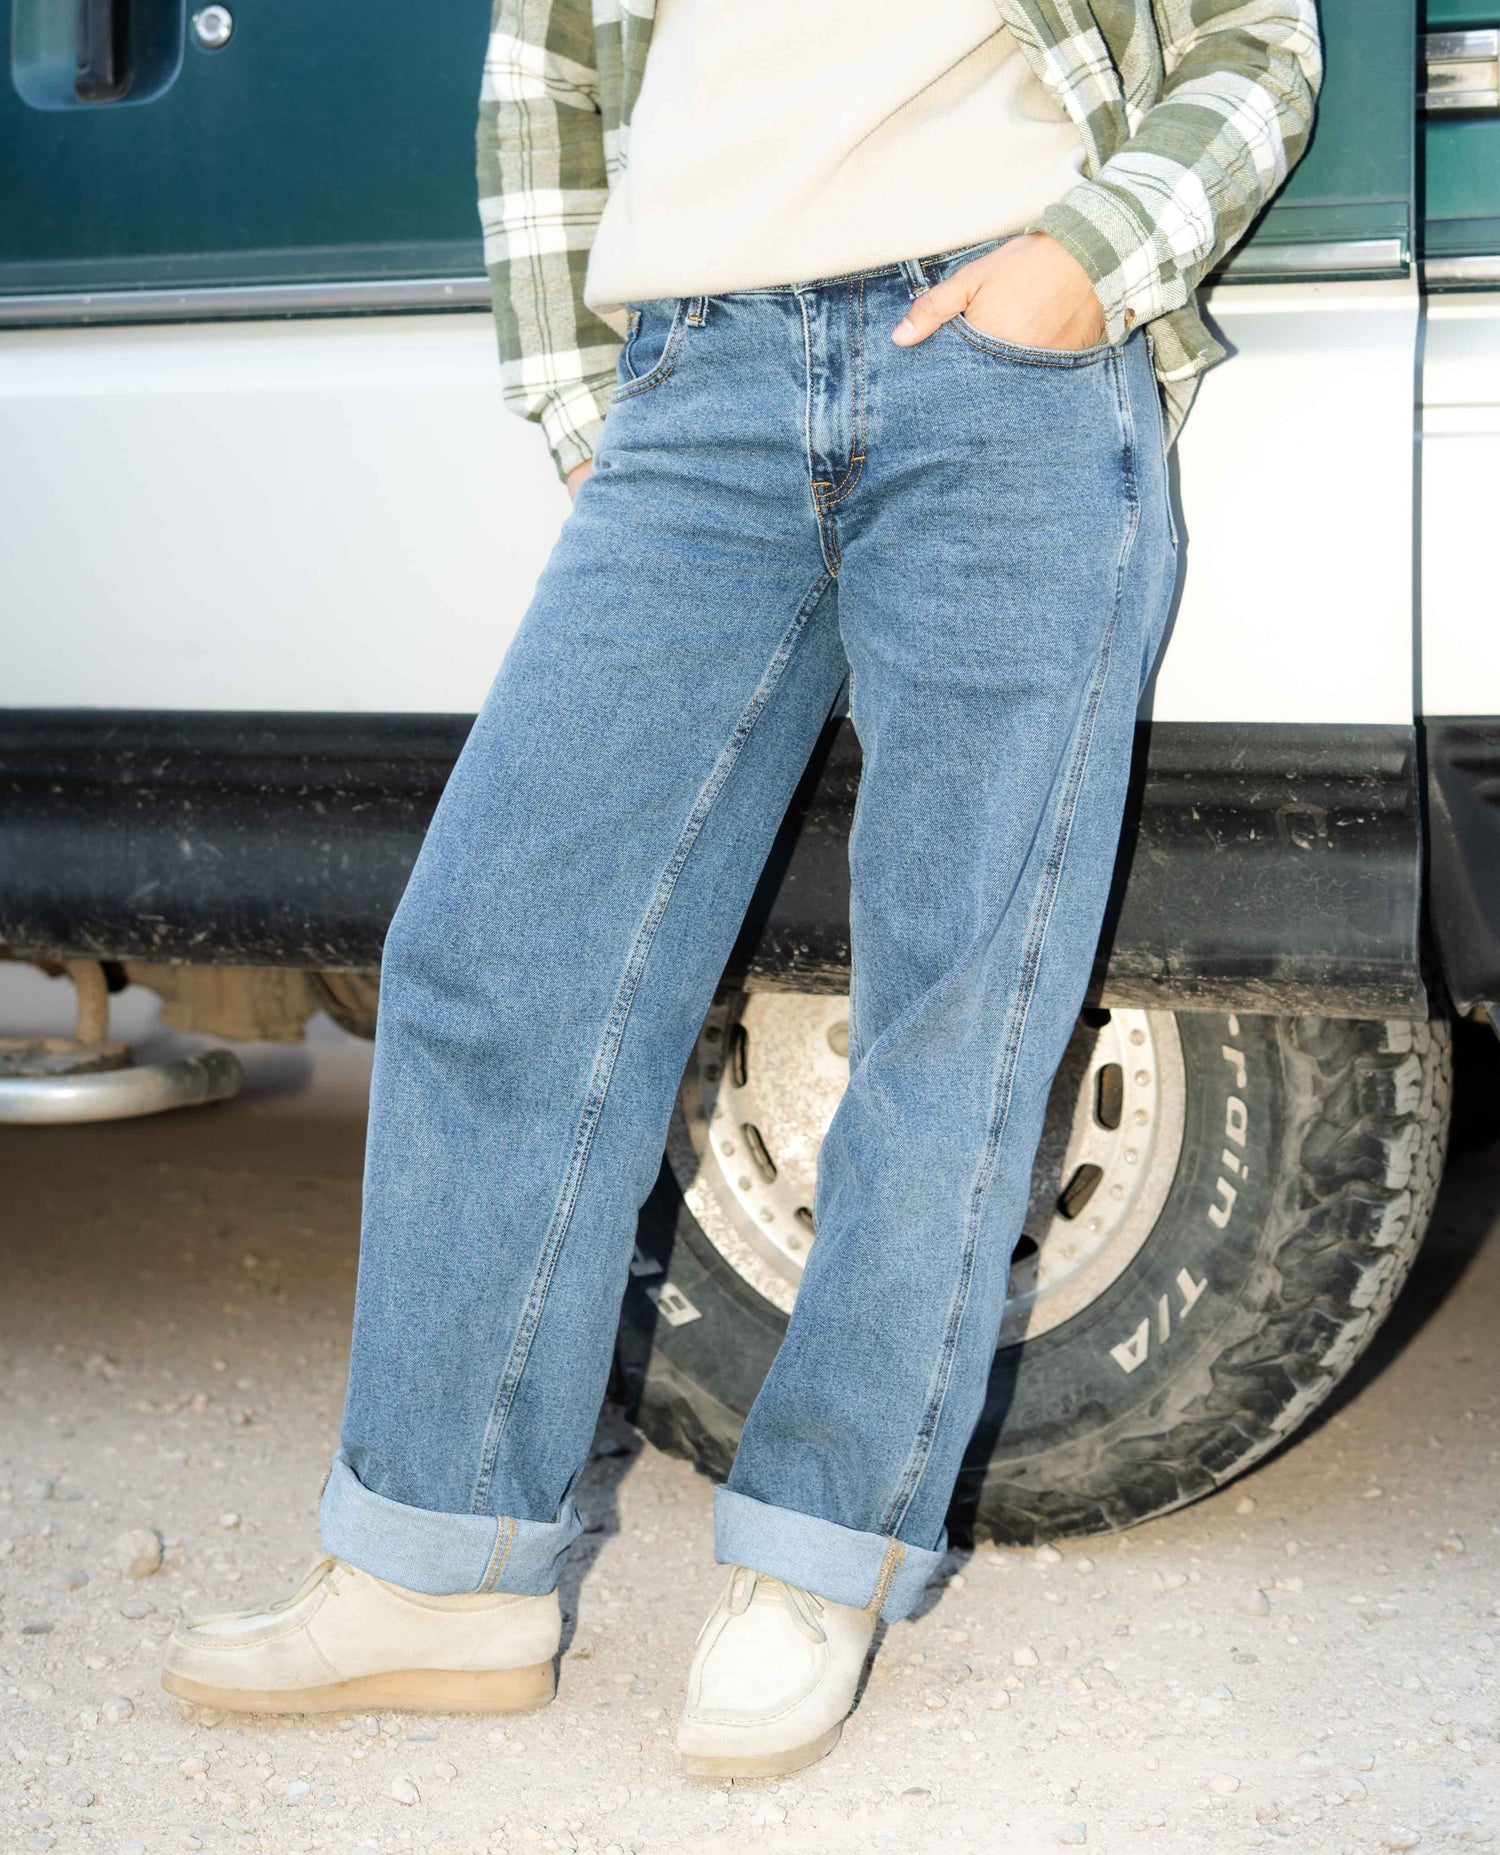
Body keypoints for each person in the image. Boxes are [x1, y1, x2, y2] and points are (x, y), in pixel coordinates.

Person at [162, 0, 1322, 1781]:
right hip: (701, 374)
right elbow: (544, 76)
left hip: (1000, 361)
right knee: (493, 958)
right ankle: (439, 1569)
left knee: (959, 994)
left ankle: (814, 1554)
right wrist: (578, 394)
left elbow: (1258, 37)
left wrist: (1087, 262)